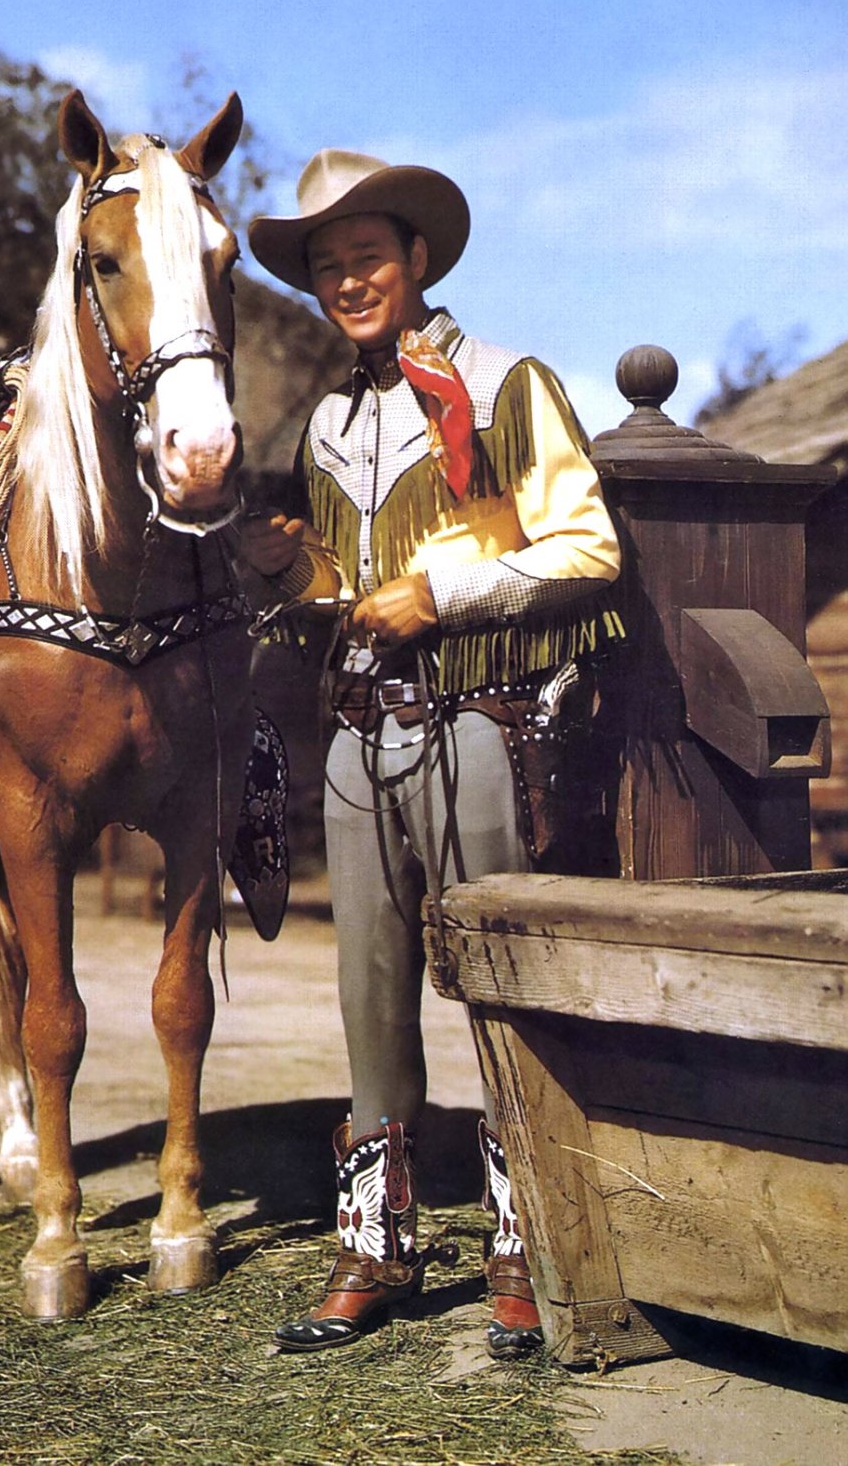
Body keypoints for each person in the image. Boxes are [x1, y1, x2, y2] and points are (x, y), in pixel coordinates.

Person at [240, 149, 623, 1356]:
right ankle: (376, 1247)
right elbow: (348, 593)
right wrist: (289, 573)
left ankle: (530, 1245)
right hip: (358, 731)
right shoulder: (327, 420)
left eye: (364, 258)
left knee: (501, 986)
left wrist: (439, 595)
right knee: (366, 996)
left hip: (483, 725)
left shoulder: (508, 386)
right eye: (325, 269)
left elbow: (586, 551)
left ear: (414, 259)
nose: (346, 282)